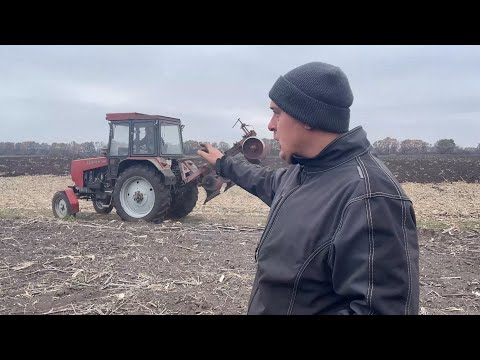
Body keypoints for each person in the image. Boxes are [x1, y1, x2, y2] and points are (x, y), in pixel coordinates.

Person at [197, 61, 420, 315]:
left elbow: (382, 309)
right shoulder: (304, 173)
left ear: (308, 116)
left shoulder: (370, 198)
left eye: (278, 112)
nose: (271, 125)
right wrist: (224, 163)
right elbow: (265, 182)